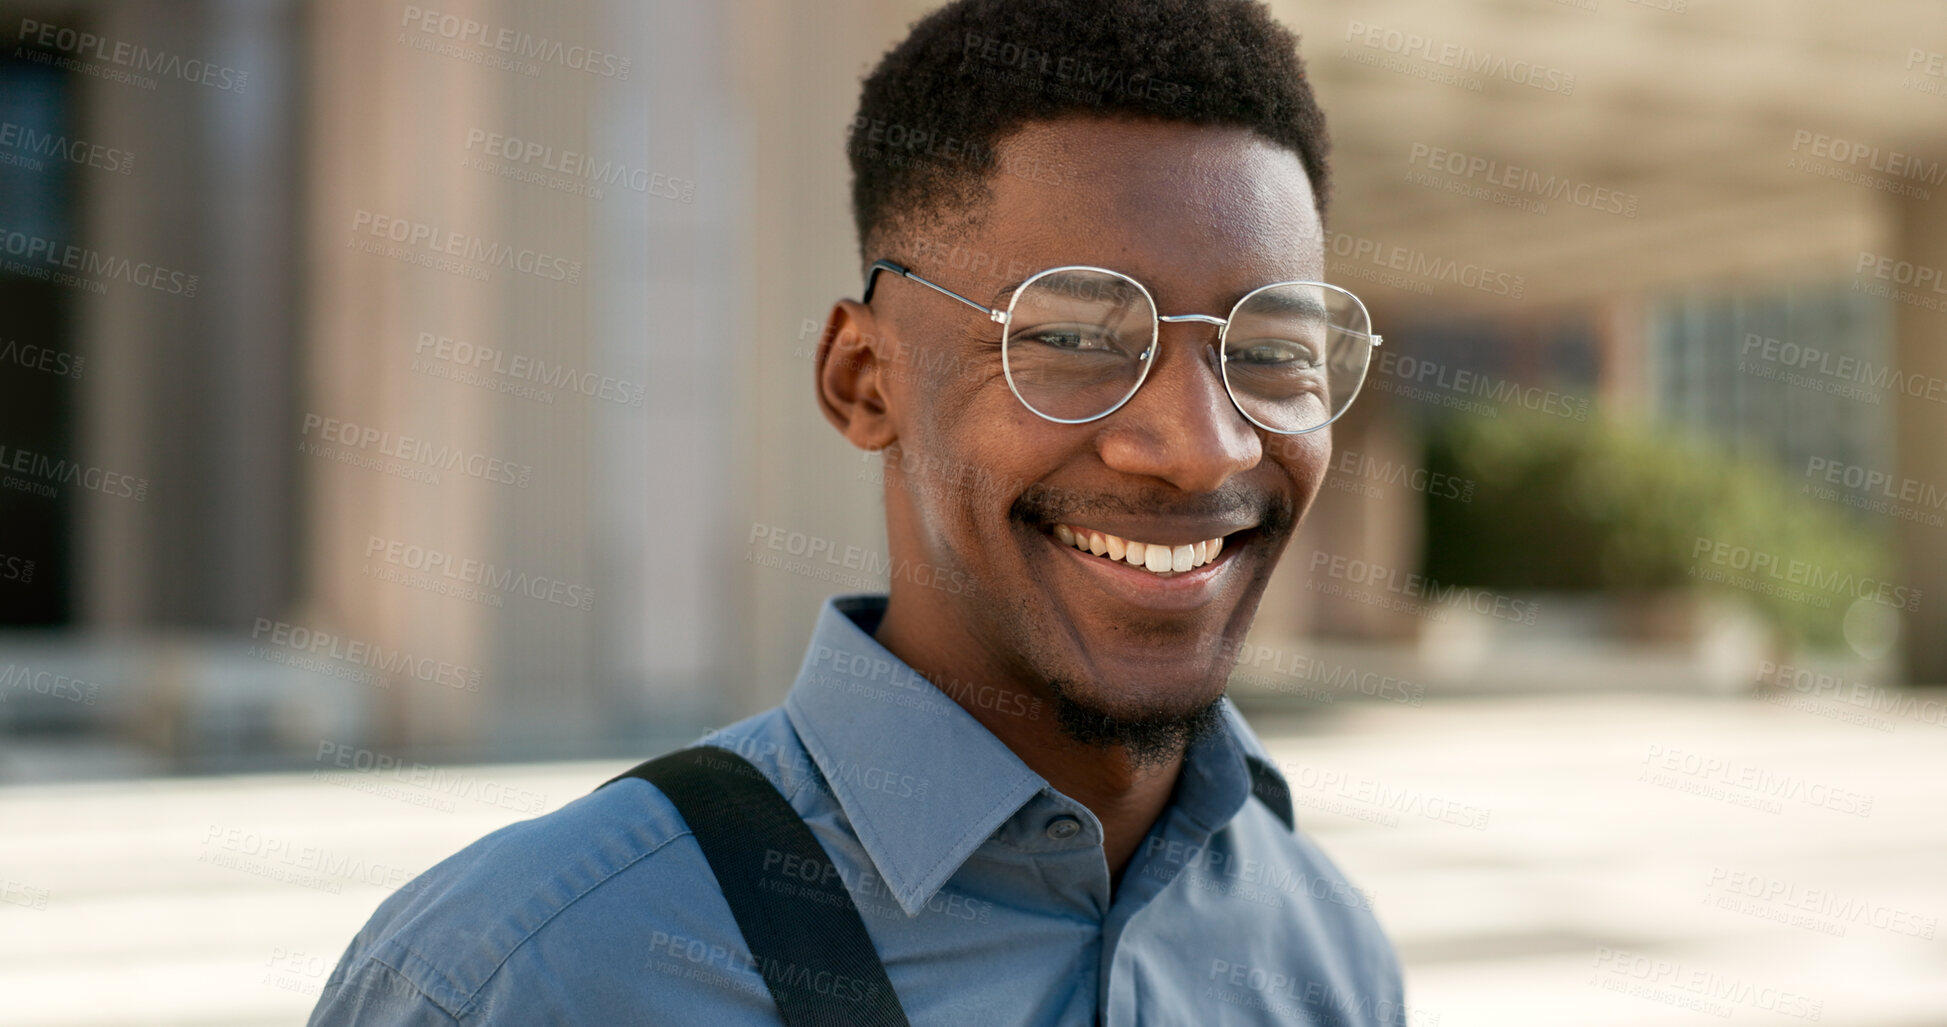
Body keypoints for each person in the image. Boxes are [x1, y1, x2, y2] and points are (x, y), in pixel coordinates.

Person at [310, 0, 1405, 1022]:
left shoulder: (1324, 948)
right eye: (1072, 339)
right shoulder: (533, 969)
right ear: (863, 380)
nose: (1202, 444)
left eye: (1271, 351)